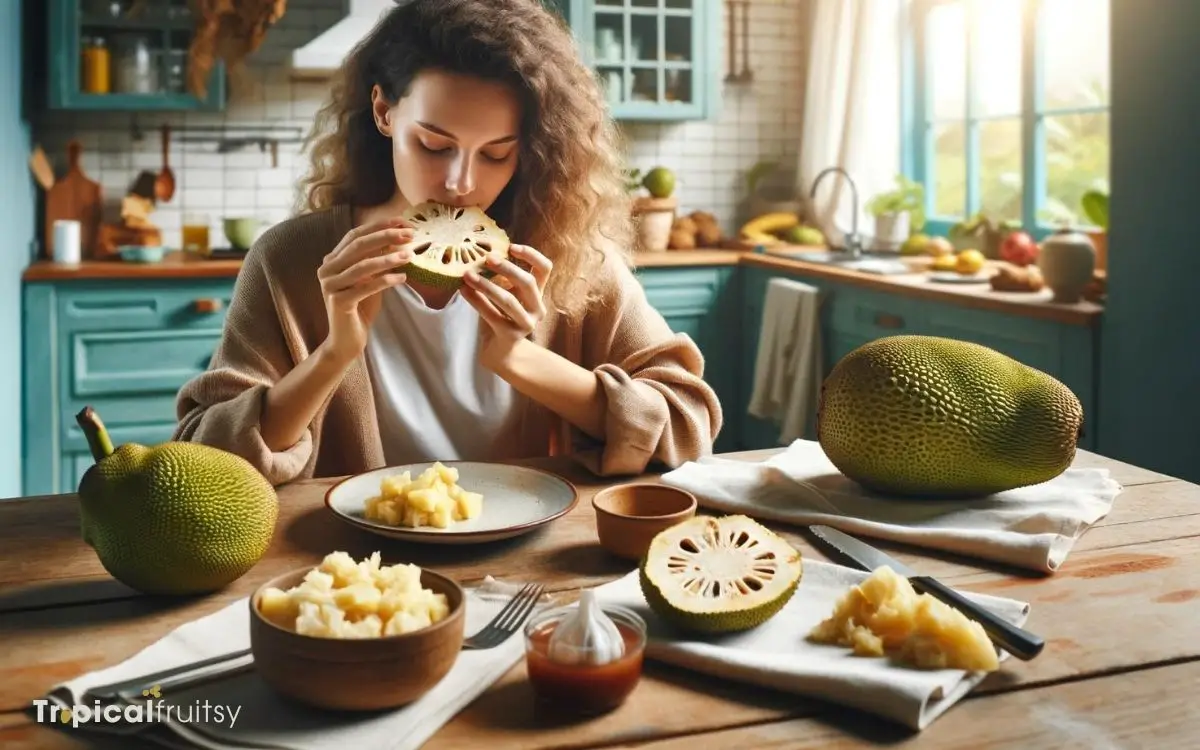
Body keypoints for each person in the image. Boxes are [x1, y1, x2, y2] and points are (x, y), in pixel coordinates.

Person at [173, 0, 722, 486]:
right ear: (385, 113)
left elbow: (687, 421)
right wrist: (333, 354)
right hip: (354, 566)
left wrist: (521, 358)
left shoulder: (569, 253)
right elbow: (207, 463)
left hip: (529, 554)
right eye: (434, 145)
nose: (461, 183)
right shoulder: (289, 259)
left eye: (496, 153)